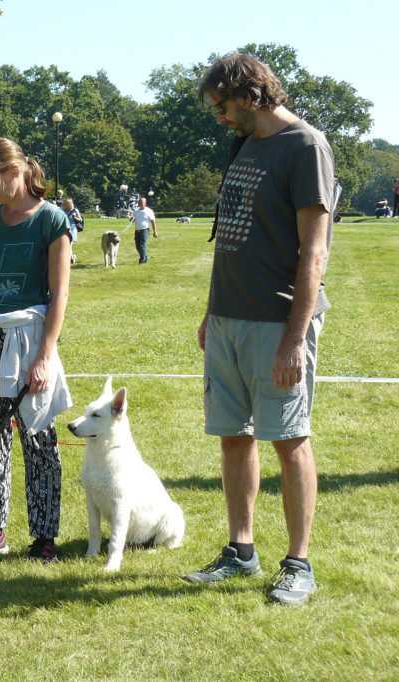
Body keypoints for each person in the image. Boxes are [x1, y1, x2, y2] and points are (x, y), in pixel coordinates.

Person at [183, 53, 335, 606]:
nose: (220, 117)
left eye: (222, 106)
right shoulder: (244, 143)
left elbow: (314, 252)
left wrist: (295, 338)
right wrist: (211, 309)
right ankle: (239, 551)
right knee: (233, 435)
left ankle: (298, 564)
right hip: (228, 318)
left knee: (289, 440)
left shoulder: (306, 146)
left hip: (277, 322)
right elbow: (233, 237)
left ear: (248, 95)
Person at [0, 137, 74, 563]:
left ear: (14, 172)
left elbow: (59, 295)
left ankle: (44, 536)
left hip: (30, 339)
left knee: (39, 440)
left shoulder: (52, 221)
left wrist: (44, 356)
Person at [129, 197, 158, 264]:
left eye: (142, 202)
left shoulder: (149, 211)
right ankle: (145, 257)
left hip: (144, 231)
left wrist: (155, 231)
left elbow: (153, 221)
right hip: (137, 231)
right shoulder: (136, 212)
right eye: (140, 202)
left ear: (145, 203)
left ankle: (142, 261)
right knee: (137, 246)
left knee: (142, 245)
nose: (141, 204)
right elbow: (132, 221)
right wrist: (131, 219)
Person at [63, 197, 84, 264]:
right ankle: (72, 257)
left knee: (69, 245)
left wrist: (75, 217)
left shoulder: (75, 210)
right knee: (66, 245)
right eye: (65, 203)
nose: (66, 205)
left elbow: (80, 220)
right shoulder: (63, 210)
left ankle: (69, 259)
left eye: (67, 203)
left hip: (72, 229)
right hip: (65, 229)